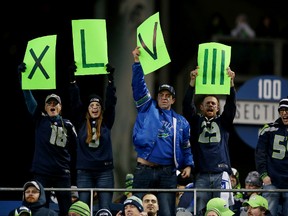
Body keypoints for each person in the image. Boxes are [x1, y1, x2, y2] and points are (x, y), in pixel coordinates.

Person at [131, 46, 194, 216]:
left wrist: (188, 164)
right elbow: (138, 86)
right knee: (138, 209)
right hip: (144, 169)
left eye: (168, 96)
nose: (164, 98)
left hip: (167, 172)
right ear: (157, 97)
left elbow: (186, 145)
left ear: (173, 99)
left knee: (167, 211)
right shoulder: (146, 107)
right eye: (161, 95)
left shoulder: (181, 122)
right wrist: (137, 63)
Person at [18, 63, 78, 216]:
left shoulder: (69, 125)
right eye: (49, 103)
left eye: (55, 104)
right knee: (38, 208)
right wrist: (23, 78)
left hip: (62, 174)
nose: (52, 105)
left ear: (60, 107)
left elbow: (77, 148)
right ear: (45, 107)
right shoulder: (40, 120)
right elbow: (28, 99)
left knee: (66, 210)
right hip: (42, 173)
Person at [182, 66, 236, 216]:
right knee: (200, 210)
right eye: (208, 103)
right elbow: (187, 106)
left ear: (218, 108)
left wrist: (231, 84)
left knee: (223, 210)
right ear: (201, 107)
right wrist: (192, 82)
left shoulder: (224, 123)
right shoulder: (195, 121)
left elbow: (231, 108)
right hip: (202, 174)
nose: (211, 105)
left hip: (221, 173)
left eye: (214, 103)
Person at [68, 63, 117, 210]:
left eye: (97, 105)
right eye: (91, 106)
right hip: (85, 171)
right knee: (83, 208)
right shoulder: (81, 123)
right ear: (87, 109)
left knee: (105, 209)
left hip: (105, 171)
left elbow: (111, 102)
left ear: (101, 109)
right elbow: (74, 102)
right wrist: (72, 82)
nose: (94, 108)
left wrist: (110, 81)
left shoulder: (106, 122)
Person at [255, 97, 288, 216]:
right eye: (282, 110)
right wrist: (264, 175)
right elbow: (260, 154)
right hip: (272, 181)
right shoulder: (268, 129)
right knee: (269, 214)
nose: (284, 113)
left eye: (287, 110)